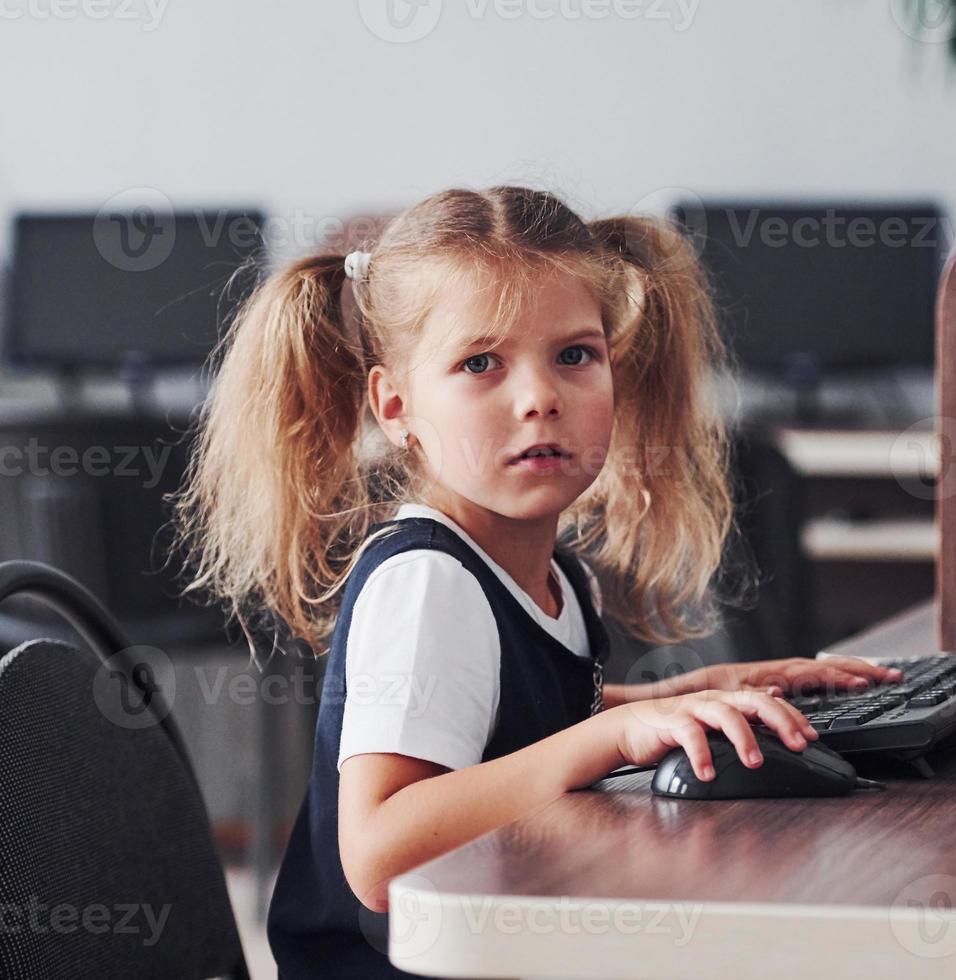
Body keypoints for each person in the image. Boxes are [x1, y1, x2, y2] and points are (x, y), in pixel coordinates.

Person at [171, 185, 900, 977]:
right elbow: (378, 854)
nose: (540, 399)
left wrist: (683, 697)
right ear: (396, 406)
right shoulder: (428, 582)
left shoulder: (554, 575)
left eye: (575, 355)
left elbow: (506, 720)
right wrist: (608, 738)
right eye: (480, 363)